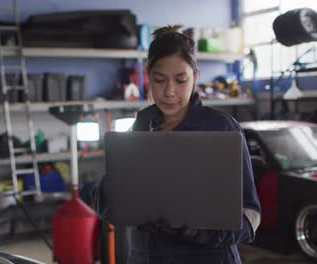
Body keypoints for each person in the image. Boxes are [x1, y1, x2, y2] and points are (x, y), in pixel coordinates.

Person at [91, 25, 261, 264]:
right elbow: (104, 202)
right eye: (160, 80)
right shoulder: (142, 124)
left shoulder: (222, 128)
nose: (170, 92)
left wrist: (203, 232)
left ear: (195, 76)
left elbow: (250, 214)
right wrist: (119, 187)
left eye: (181, 80)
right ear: (148, 75)